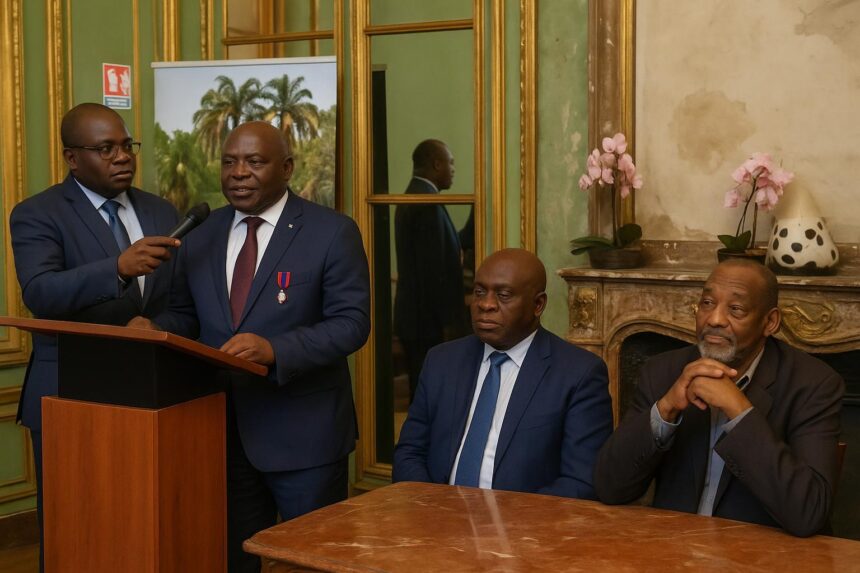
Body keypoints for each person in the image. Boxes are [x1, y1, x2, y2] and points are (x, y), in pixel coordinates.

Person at [129, 121, 370, 572]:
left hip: (305, 438)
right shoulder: (202, 233)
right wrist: (154, 328)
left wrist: (276, 349)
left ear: (287, 168)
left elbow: (351, 324)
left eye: (255, 162)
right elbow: (186, 316)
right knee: (234, 558)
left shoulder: (332, 231)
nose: (239, 172)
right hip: (220, 434)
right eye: (229, 162)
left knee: (312, 562)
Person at [9, 102, 180, 567]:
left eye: (127, 145)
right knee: (75, 531)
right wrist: (117, 269)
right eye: (106, 149)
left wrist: (158, 327)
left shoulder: (161, 210)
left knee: (141, 529)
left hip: (155, 394)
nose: (122, 157)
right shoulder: (38, 214)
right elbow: (41, 293)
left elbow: (180, 301)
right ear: (72, 157)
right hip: (71, 396)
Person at [593, 259, 844, 537]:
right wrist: (666, 408)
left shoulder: (812, 384)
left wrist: (739, 411)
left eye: (735, 309)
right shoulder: (663, 371)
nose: (714, 319)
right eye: (707, 303)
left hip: (758, 552)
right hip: (672, 546)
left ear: (770, 322)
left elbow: (808, 513)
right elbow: (609, 488)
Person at [393, 248, 613, 498]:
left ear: (538, 305)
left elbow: (580, 481)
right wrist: (434, 507)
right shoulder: (442, 361)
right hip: (435, 512)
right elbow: (409, 452)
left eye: (504, 295)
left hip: (523, 519)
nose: (485, 304)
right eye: (479, 292)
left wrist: (504, 518)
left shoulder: (579, 374)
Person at [394, 139, 467, 401]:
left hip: (419, 319)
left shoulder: (421, 194)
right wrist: (447, 323)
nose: (453, 169)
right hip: (425, 322)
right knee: (428, 394)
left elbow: (444, 247)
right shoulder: (424, 202)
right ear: (437, 164)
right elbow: (433, 271)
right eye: (451, 163)